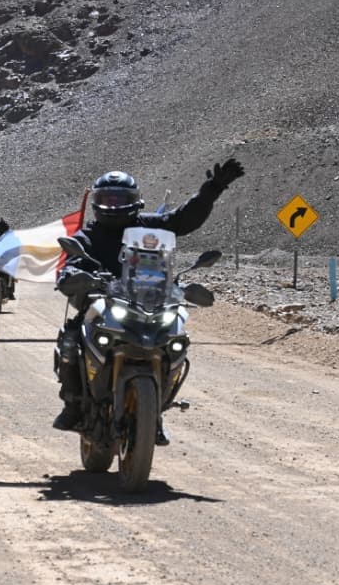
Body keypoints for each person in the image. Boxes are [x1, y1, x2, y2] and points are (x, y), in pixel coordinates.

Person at [52, 158, 244, 435]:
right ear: (96, 202)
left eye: (120, 200)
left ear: (136, 201)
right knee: (71, 340)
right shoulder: (89, 234)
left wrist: (212, 189)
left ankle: (156, 408)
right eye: (107, 199)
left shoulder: (151, 226)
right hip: (103, 302)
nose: (114, 206)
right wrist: (71, 276)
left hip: (149, 302)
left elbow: (185, 218)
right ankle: (72, 405)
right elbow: (72, 258)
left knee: (175, 341)